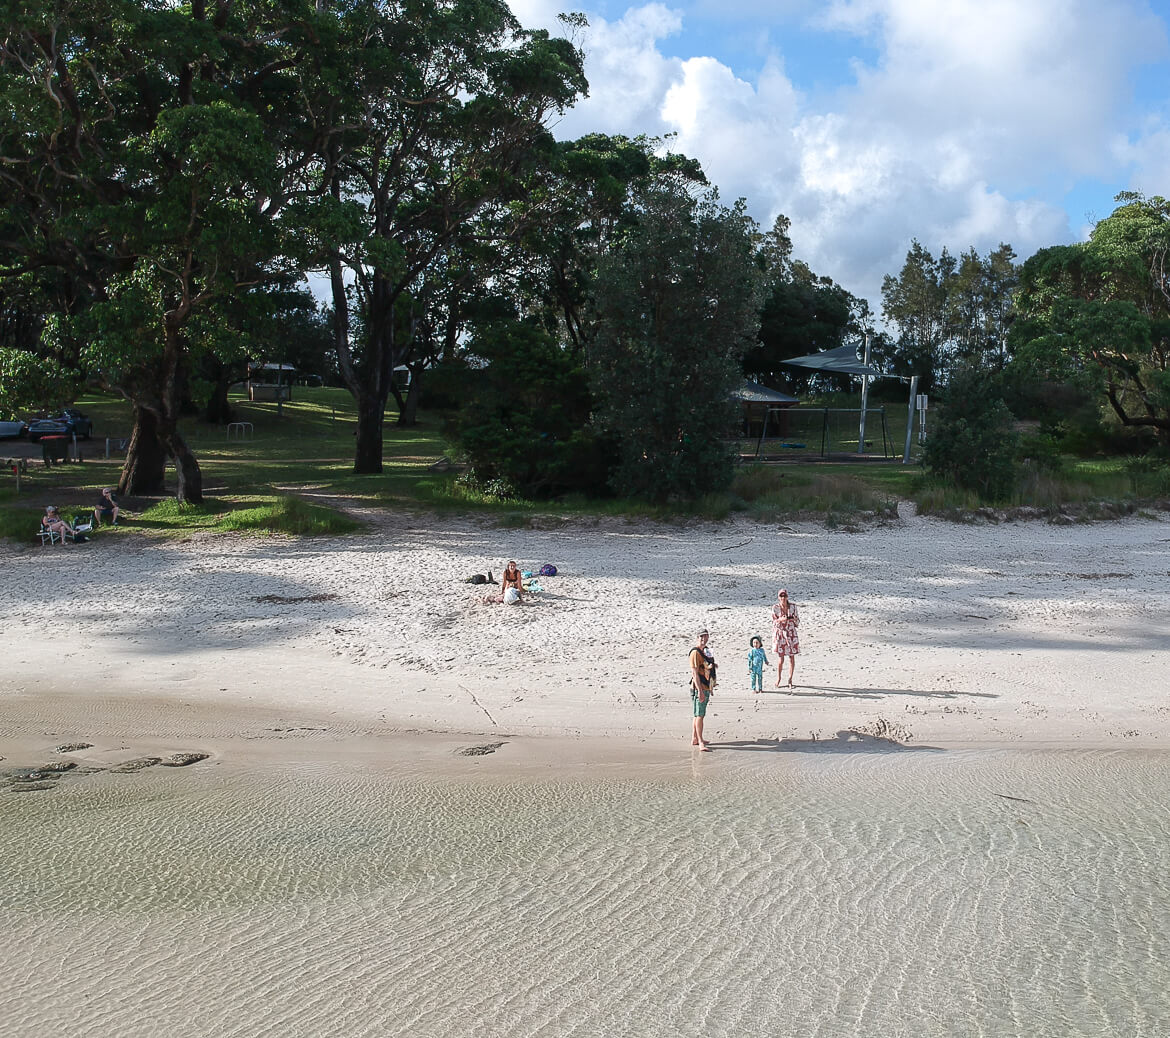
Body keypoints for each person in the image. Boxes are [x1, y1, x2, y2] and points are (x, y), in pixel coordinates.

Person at [689, 629, 714, 751]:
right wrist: (700, 691)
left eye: (705, 636)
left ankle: (695, 738)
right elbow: (695, 674)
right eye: (701, 637)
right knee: (700, 715)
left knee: (697, 714)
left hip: (706, 686)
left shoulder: (705, 651)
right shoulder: (695, 653)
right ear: (697, 638)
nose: (703, 639)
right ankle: (700, 742)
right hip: (699, 688)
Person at [771, 588, 801, 688]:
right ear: (778, 597)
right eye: (781, 596)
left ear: (787, 596)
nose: (783, 598)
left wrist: (792, 619)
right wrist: (780, 619)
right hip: (780, 634)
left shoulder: (792, 606)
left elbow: (797, 621)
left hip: (791, 633)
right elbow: (774, 622)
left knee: (792, 657)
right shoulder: (775, 607)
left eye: (784, 596)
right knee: (781, 659)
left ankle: (790, 679)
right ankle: (778, 678)